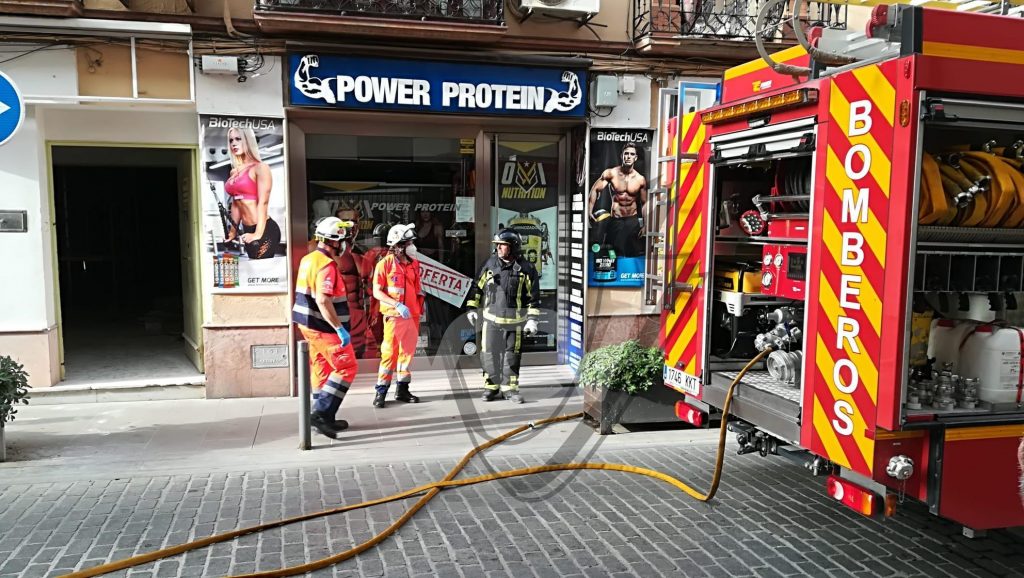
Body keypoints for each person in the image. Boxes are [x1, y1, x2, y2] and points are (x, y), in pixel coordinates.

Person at [292, 217, 358, 439]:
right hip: (324, 328)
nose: (345, 244)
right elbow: (322, 300)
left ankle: (323, 415)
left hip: (308, 325)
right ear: (334, 240)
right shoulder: (327, 265)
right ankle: (321, 414)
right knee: (346, 367)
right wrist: (339, 328)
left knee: (322, 369)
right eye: (343, 240)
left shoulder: (309, 259)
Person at [465, 229, 540, 404]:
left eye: (503, 245)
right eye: (497, 245)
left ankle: (510, 389)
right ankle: (491, 387)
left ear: (513, 247)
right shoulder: (490, 265)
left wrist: (532, 320)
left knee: (512, 356)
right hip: (491, 320)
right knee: (488, 354)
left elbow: (533, 297)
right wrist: (472, 309)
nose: (499, 248)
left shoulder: (527, 269)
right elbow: (477, 287)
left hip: (516, 323)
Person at [371, 223, 425, 408]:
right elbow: (377, 292)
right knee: (389, 355)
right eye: (408, 242)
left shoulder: (414, 264)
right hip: (395, 316)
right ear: (398, 245)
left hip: (412, 316)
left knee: (406, 355)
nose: (412, 245)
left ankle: (402, 389)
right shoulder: (384, 265)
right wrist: (397, 305)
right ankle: (381, 392)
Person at [224, 127, 280, 260]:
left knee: (261, 269)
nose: (234, 143)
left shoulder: (260, 168)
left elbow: (263, 202)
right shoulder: (234, 172)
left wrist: (257, 234)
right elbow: (237, 205)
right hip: (247, 230)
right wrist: (232, 232)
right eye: (231, 140)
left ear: (247, 140)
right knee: (253, 269)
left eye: (238, 139)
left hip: (265, 230)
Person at [587, 142, 648, 258]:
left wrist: (646, 225)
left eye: (631, 154)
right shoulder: (611, 173)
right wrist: (589, 211)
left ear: (635, 158)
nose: (628, 156)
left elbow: (644, 203)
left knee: (632, 255)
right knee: (614, 255)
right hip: (616, 220)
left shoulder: (640, 179)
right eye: (626, 154)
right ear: (622, 156)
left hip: (632, 220)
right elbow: (595, 189)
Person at [333, 207, 369, 358]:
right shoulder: (327, 251)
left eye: (353, 221)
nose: (349, 225)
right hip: (339, 320)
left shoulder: (364, 252)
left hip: (362, 321)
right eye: (344, 222)